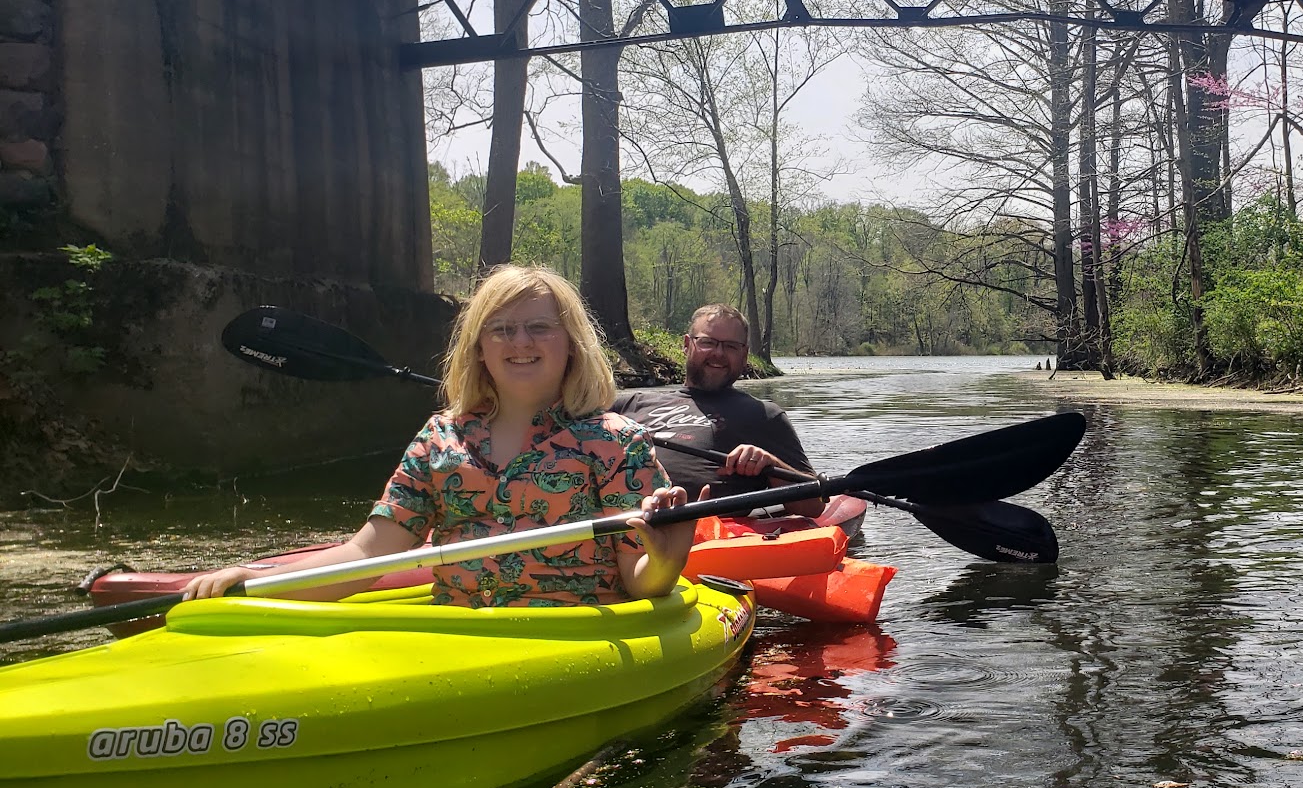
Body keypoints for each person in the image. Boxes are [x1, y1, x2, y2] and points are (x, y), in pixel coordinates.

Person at [183, 265, 698, 607]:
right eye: (500, 329)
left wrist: (668, 558)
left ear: (572, 346)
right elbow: (368, 555)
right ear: (479, 348)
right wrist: (258, 582)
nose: (519, 341)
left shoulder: (615, 442)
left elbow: (640, 580)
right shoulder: (439, 440)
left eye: (539, 327)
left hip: (573, 643)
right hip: (457, 641)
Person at [613, 304, 825, 518]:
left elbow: (814, 506)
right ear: (687, 345)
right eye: (707, 342)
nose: (718, 353)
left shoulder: (764, 415)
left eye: (731, 346)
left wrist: (771, 463)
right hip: (620, 521)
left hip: (709, 534)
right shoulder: (628, 405)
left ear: (744, 354)